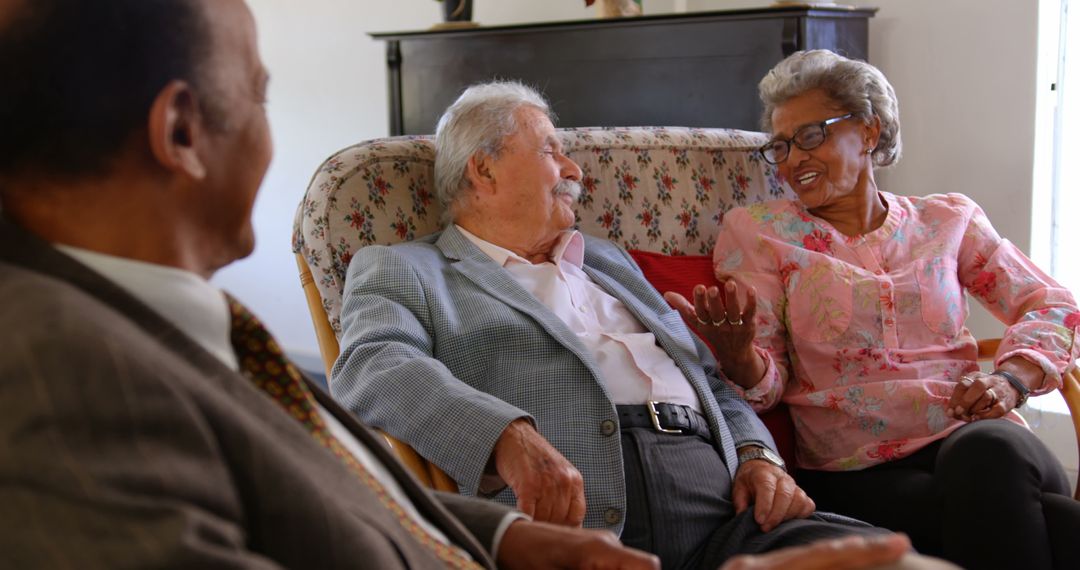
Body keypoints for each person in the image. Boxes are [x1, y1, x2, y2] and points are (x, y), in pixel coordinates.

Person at [0, 1, 667, 568]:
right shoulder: (54, 379)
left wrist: (510, 539)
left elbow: (318, 492)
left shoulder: (144, 321)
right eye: (260, 96)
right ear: (181, 133)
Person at [330, 80, 927, 570]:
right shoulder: (406, 267)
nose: (575, 171)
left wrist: (756, 454)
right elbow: (373, 366)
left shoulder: (607, 261)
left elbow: (708, 380)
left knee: (902, 565)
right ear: (483, 170)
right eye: (549, 150)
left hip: (726, 516)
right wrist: (505, 437)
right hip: (587, 521)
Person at [665, 49, 1080, 570]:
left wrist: (1011, 380)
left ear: (867, 132)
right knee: (1057, 523)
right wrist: (739, 354)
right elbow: (765, 383)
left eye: (810, 136)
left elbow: (1054, 304)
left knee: (989, 457)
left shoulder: (946, 220)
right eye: (781, 146)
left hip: (973, 436)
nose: (793, 160)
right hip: (856, 469)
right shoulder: (759, 232)